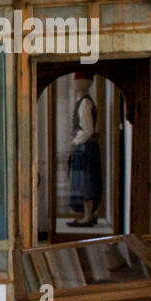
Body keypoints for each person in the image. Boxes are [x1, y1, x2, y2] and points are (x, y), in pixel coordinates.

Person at [67, 73, 103, 227]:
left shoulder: (85, 103)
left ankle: (88, 216)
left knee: (87, 181)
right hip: (85, 147)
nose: (74, 84)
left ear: (86, 83)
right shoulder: (81, 102)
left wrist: (74, 143)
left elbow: (87, 130)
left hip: (86, 147)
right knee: (85, 180)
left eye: (78, 81)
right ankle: (89, 214)